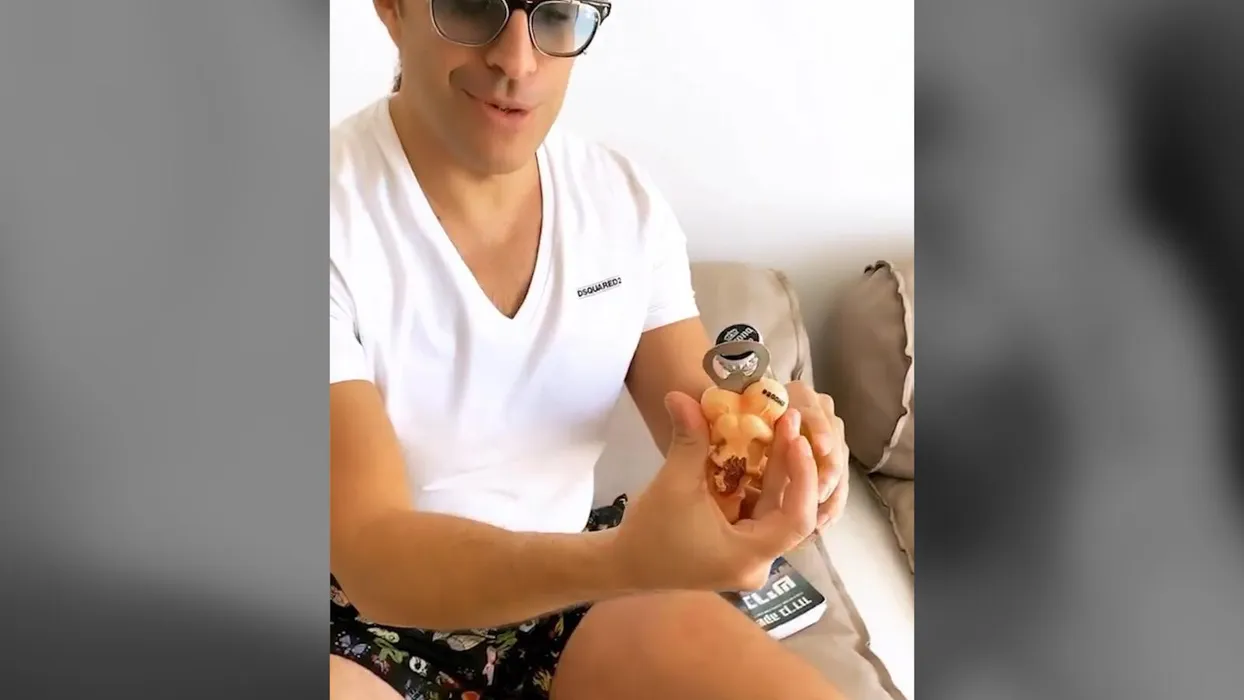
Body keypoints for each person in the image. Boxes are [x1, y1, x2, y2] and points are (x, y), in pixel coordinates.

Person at [330, 1, 852, 698]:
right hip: (357, 621)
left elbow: (708, 434)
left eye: (554, 14)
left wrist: (784, 450)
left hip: (576, 585)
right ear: (392, 9)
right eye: (472, 5)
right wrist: (623, 561)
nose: (517, 60)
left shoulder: (619, 202)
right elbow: (371, 554)